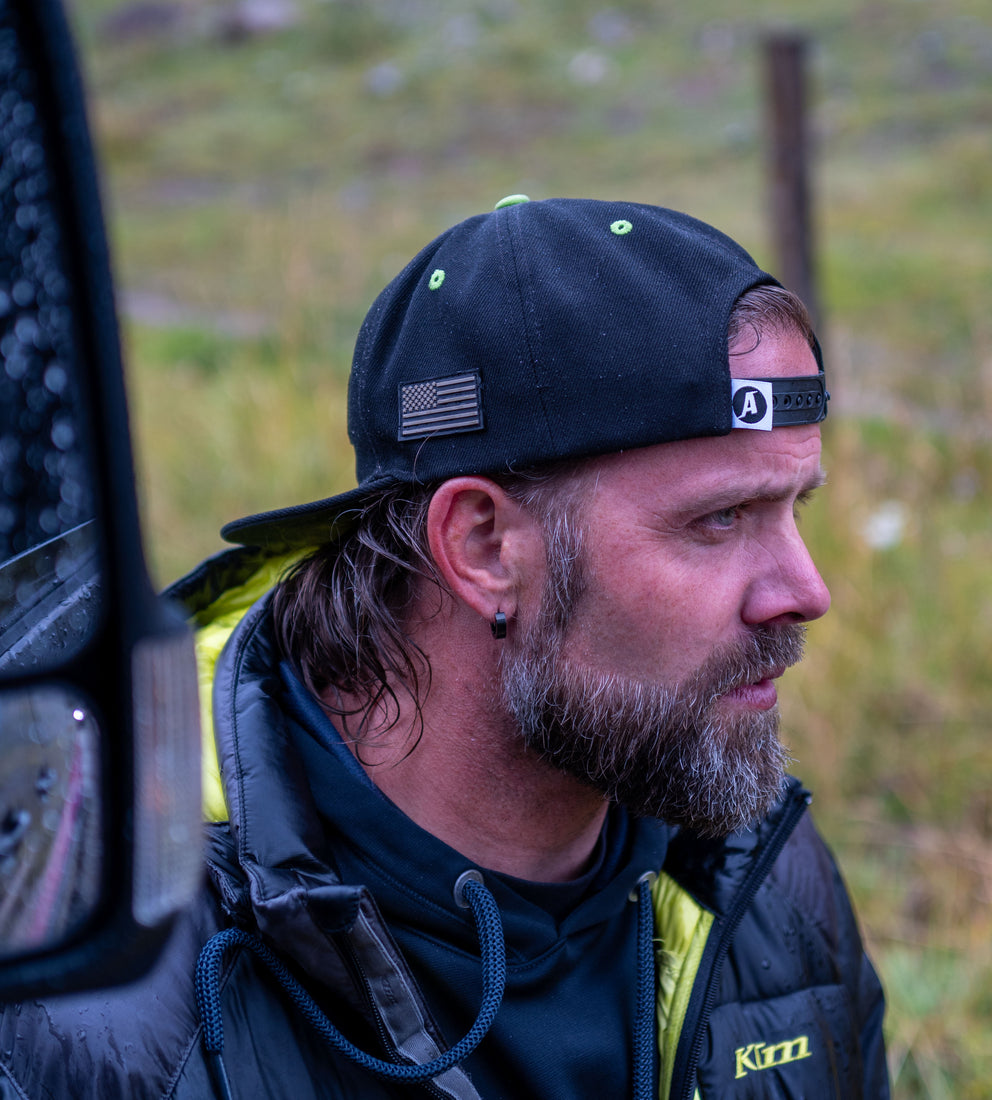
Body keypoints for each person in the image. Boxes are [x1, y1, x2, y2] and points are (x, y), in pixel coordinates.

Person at [0, 197, 888, 1099]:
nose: (805, 593)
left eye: (793, 507)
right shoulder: (104, 993)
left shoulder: (758, 879)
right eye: (719, 519)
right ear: (483, 548)